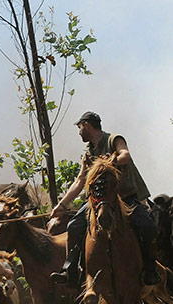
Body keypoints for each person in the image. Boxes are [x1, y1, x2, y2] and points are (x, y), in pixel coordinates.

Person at [49, 111, 159, 286]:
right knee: (74, 226)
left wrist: (110, 161)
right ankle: (71, 271)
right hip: (98, 201)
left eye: (79, 127)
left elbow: (125, 155)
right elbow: (80, 181)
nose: (78, 132)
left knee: (147, 226)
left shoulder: (113, 139)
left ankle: (150, 268)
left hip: (125, 198)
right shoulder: (88, 154)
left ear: (87, 125)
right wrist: (61, 205)